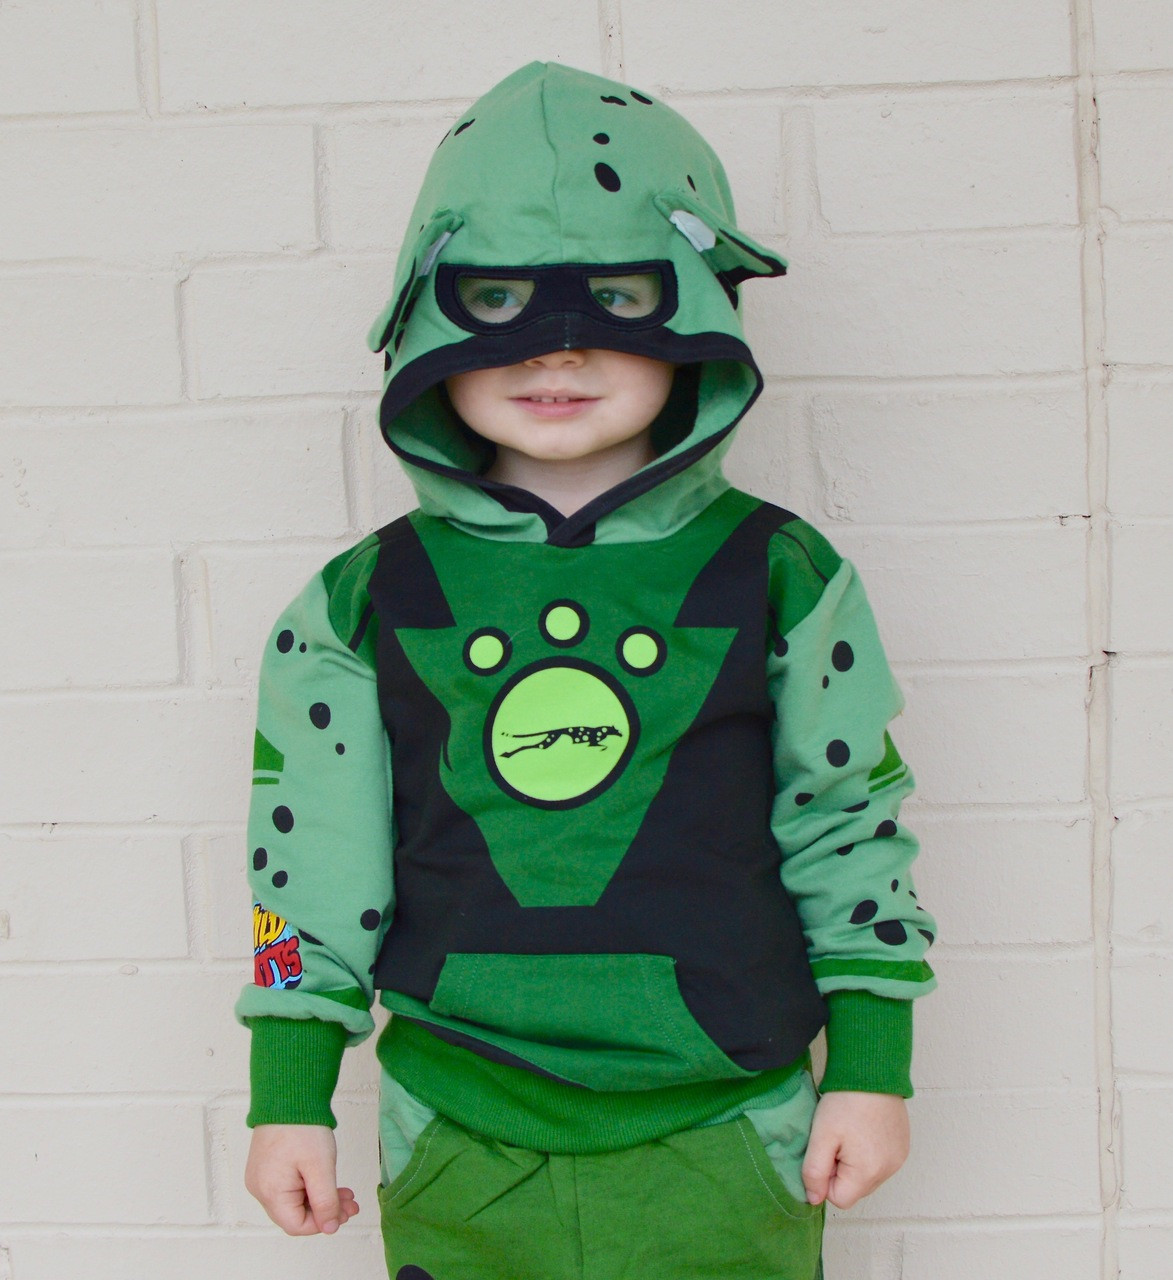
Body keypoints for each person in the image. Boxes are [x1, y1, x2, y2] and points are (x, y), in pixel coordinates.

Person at [238, 61, 936, 1280]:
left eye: (616, 296)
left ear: (696, 308)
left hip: (728, 1121)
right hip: (456, 1127)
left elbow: (849, 822)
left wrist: (874, 1064)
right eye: (497, 298)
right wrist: (286, 1086)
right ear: (429, 320)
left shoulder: (782, 574)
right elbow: (298, 868)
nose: (557, 346)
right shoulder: (363, 600)